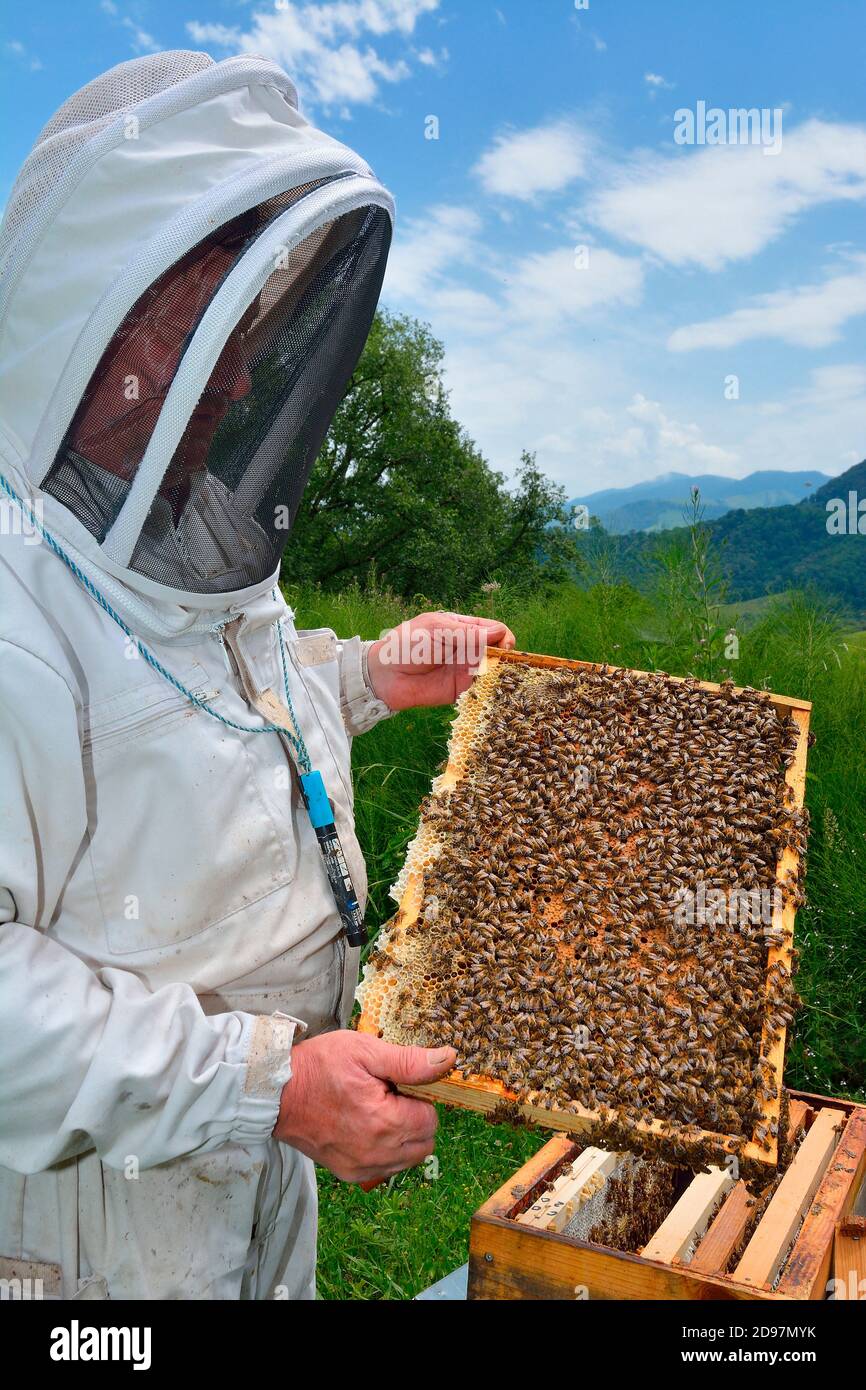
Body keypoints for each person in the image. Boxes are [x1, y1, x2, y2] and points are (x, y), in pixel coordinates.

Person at [0, 49, 514, 1300]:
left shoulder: (175, 540)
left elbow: (207, 712)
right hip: (84, 1239)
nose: (237, 383)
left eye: (255, 338)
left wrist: (368, 681)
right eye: (200, 338)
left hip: (250, 1168)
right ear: (89, 328)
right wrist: (265, 1085)